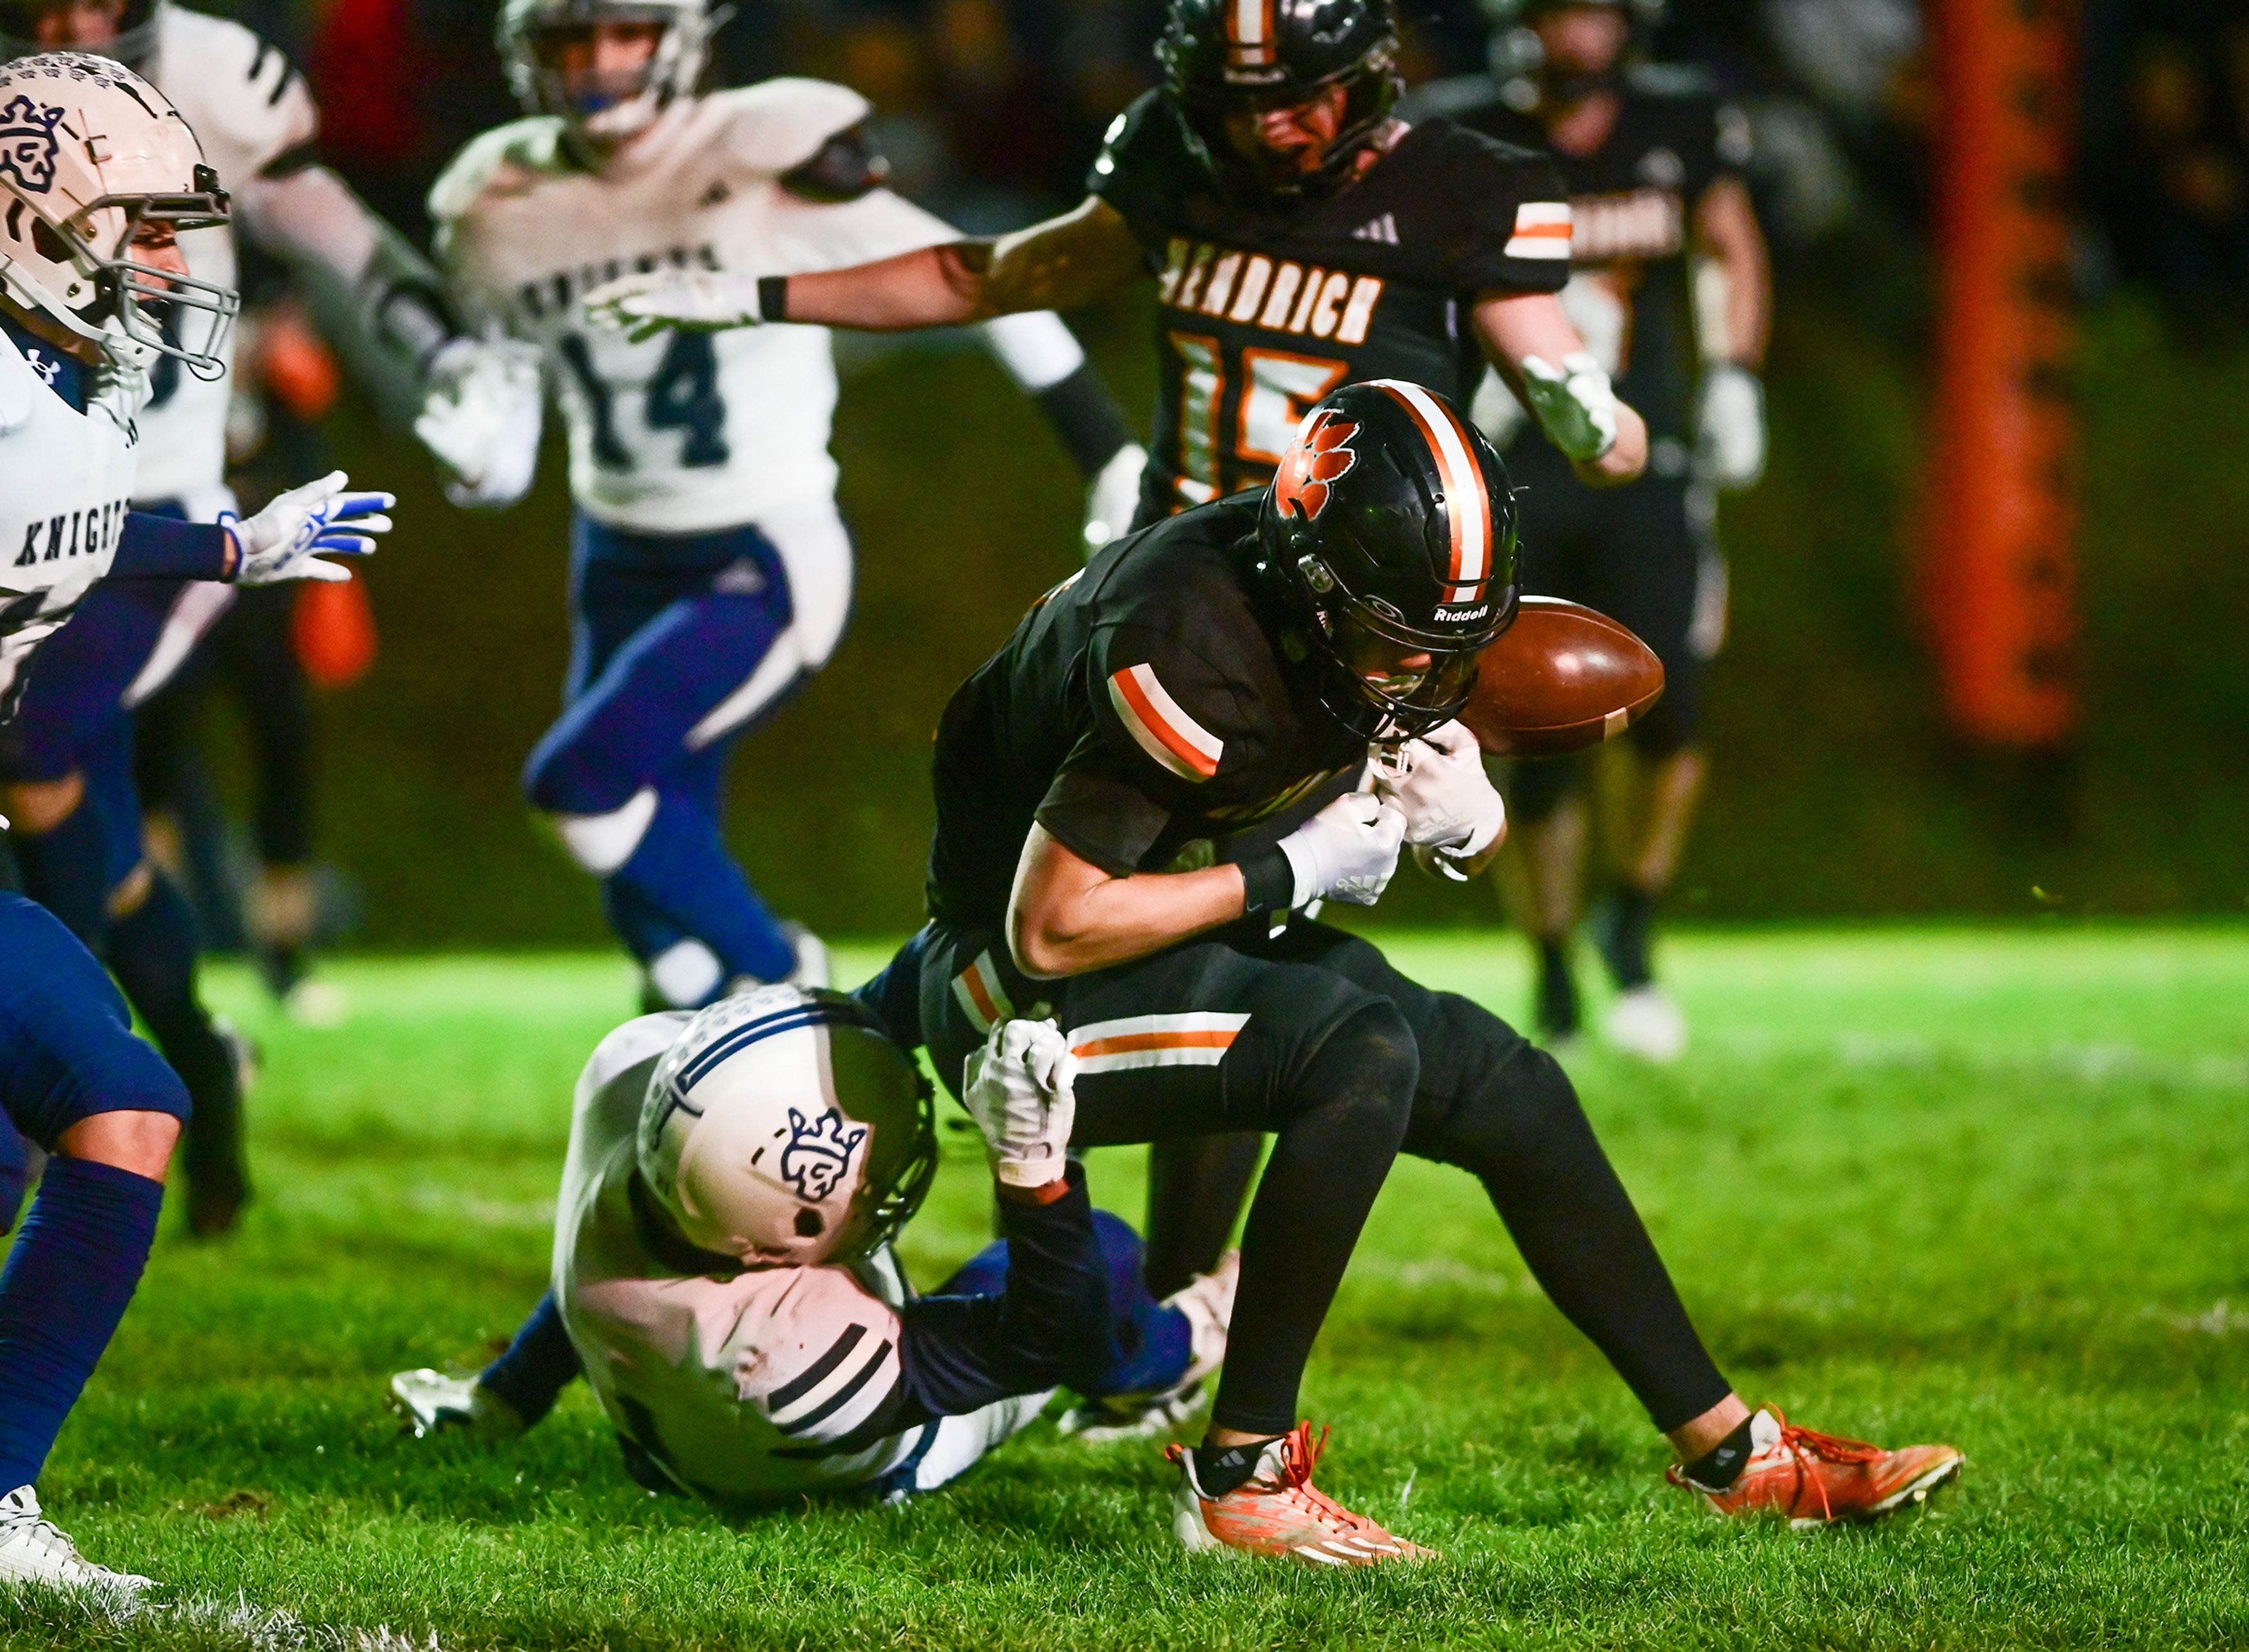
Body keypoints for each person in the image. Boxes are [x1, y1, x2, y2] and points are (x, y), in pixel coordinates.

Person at [578, 0, 1657, 1321]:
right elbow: (991, 273)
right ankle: (1114, 1284)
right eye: (1241, 98)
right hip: (1176, 603)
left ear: (1370, 77)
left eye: (1304, 94)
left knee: (1246, 954)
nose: (1272, 126)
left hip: (1336, 642)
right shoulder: (1173, 159)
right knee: (1106, 932)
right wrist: (749, 297)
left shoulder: (1460, 190)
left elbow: (1594, 421)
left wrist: (1593, 417)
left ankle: (1158, 1298)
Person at [880, 378, 1959, 1563]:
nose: (1424, 673)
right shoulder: (1191, 645)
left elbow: (1405, 734)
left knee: (1510, 1087)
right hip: (1006, 998)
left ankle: (1735, 1453)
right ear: (1317, 587)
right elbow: (1054, 925)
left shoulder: (1351, 601)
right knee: (1360, 1051)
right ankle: (1243, 1479)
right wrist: (1287, 871)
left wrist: (1472, 825)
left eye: (1455, 642)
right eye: (1402, 644)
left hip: (1156, 940)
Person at [0, 52, 393, 1588]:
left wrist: (230, 540)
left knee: (127, 1106)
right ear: (28, 224)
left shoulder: (56, 391)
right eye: (137, 226)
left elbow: (53, 520)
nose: (167, 261)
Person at [0, 0, 500, 1234]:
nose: (70, 22)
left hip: (152, 514)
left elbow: (339, 239)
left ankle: (69, 1083)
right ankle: (196, 1082)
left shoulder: (217, 76)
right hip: (9, 496)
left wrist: (444, 359)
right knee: (85, 826)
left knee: (31, 744)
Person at [412, 0, 1148, 1014]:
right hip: (614, 549)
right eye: (569, 39)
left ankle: (789, 984)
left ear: (677, 38)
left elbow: (980, 277)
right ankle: (706, 1065)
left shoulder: (765, 151)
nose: (597, 62)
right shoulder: (496, 195)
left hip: (760, 547)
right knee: (650, 915)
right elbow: (509, 407)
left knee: (582, 790)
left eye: (623, 32)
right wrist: (480, 451)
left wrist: (1103, 444)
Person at [389, 986, 1241, 1503]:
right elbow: (1056, 1332)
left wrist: (508, 1393)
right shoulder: (790, 1356)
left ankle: (498, 1400)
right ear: (784, 1242)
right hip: (849, 1456)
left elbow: (588, 1277)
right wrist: (1034, 1171)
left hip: (658, 1418)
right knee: (1102, 1249)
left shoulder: (637, 1088)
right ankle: (1180, 1354)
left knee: (617, 1258)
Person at [1412, 0, 1771, 1058]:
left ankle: (1637, 922)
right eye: (1561, 12)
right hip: (1512, 461)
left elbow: (1731, 246)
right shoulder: (1462, 135)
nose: (1580, 35)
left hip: (1642, 455)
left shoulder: (1679, 120)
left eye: (1596, 12)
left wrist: (1738, 378)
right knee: (1537, 730)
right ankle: (1555, 962)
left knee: (1676, 710)